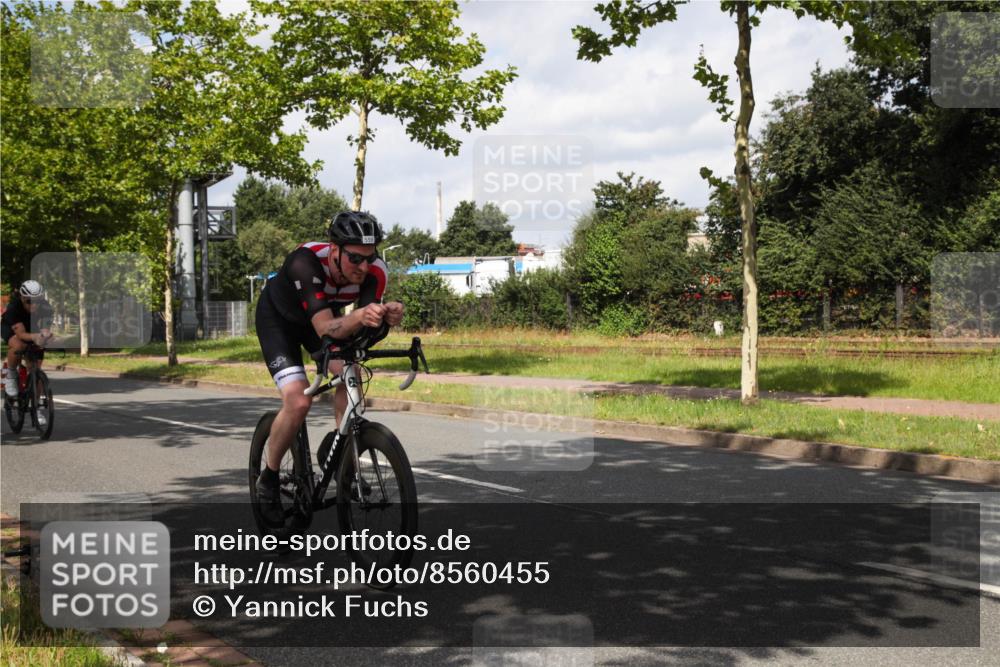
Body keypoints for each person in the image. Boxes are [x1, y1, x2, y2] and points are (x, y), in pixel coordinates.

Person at [254, 211, 404, 526]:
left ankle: (340, 451)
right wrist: (359, 316)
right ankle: (268, 477)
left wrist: (383, 320)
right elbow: (326, 328)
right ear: (334, 250)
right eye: (354, 258)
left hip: (322, 320)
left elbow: (362, 332)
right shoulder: (305, 262)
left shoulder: (376, 271)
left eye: (369, 257)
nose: (363, 267)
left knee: (351, 373)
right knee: (298, 400)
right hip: (279, 322)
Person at [2, 280, 53, 398]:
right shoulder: (14, 307)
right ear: (22, 298)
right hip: (10, 327)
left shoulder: (46, 307)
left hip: (30, 325)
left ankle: (36, 404)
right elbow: (21, 334)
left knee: (35, 368)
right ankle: (11, 374)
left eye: (37, 301)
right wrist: (35, 337)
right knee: (19, 345)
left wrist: (45, 336)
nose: (34, 305)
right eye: (29, 301)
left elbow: (45, 329)